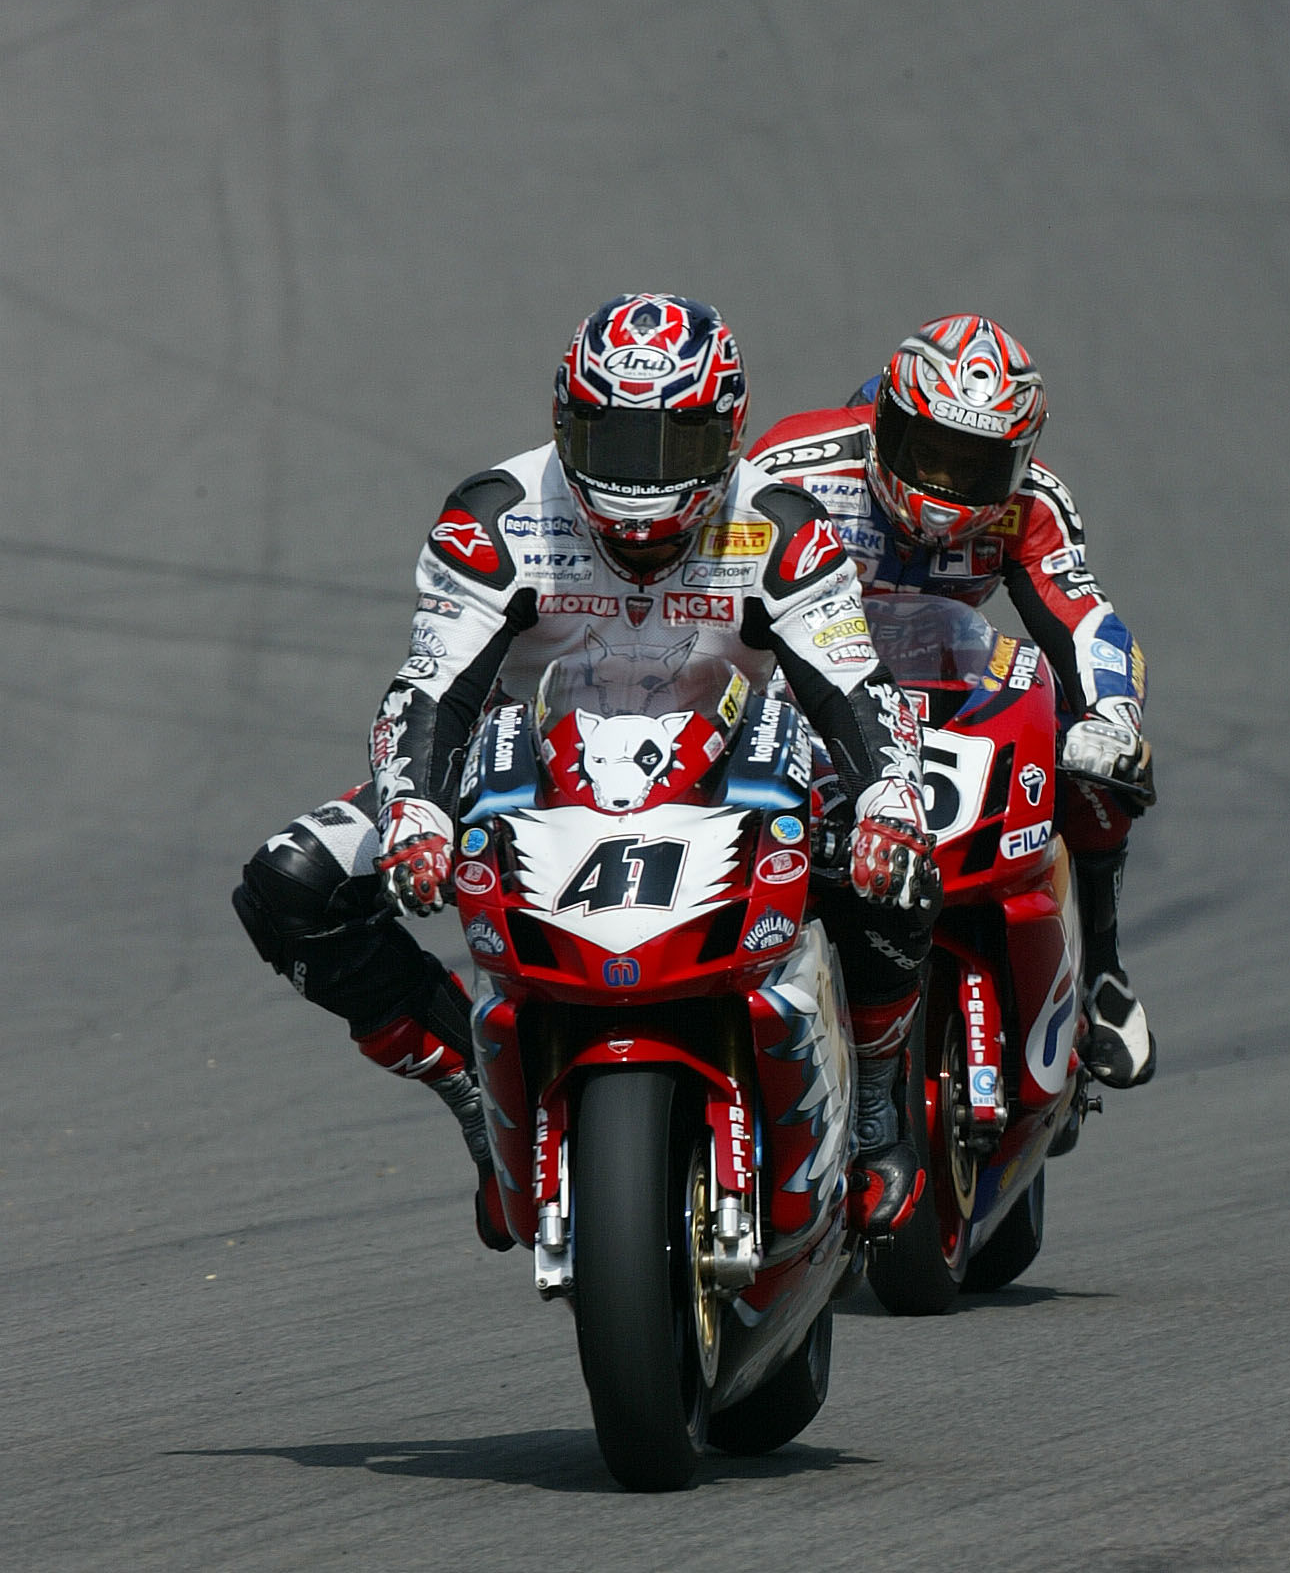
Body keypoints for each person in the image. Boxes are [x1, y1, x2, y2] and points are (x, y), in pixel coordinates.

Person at [233, 294, 935, 1245]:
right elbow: (431, 686)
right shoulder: (494, 516)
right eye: (611, 441)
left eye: (671, 449)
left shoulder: (783, 524)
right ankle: (474, 1088)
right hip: (528, 772)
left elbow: (853, 683)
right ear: (563, 422)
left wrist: (892, 800)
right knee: (294, 882)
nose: (639, 487)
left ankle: (882, 1102)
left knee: (891, 856)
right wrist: (416, 814)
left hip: (737, 768)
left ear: (727, 432)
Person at [749, 313, 1157, 1090]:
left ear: (1017, 459)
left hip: (944, 686)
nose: (943, 486)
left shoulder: (1033, 504)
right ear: (884, 425)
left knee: (1099, 763)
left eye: (974, 465)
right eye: (927, 452)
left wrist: (1115, 714)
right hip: (808, 691)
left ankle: (1103, 968)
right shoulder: (796, 468)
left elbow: (1082, 613)